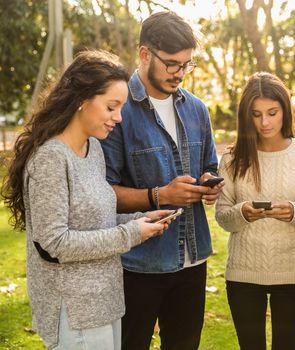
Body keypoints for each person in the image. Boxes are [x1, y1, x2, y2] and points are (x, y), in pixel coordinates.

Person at [0, 50, 175, 349]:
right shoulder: (51, 159)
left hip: (105, 300)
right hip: (74, 311)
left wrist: (140, 221)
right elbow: (54, 243)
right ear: (82, 98)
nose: (118, 118)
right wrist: (130, 234)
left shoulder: (93, 149)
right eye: (111, 107)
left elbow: (97, 220)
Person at [100, 11, 223, 350]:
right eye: (171, 64)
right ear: (144, 54)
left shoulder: (198, 109)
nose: (180, 73)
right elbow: (103, 193)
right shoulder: (117, 110)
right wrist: (160, 195)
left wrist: (209, 183)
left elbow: (210, 165)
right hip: (138, 264)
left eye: (186, 65)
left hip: (193, 259)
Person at [215, 72, 295, 350]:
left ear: (285, 111)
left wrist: (293, 212)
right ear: (246, 116)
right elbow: (222, 216)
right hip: (243, 273)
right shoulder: (231, 159)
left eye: (272, 113)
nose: (265, 122)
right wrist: (242, 212)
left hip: (294, 273)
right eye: (256, 114)